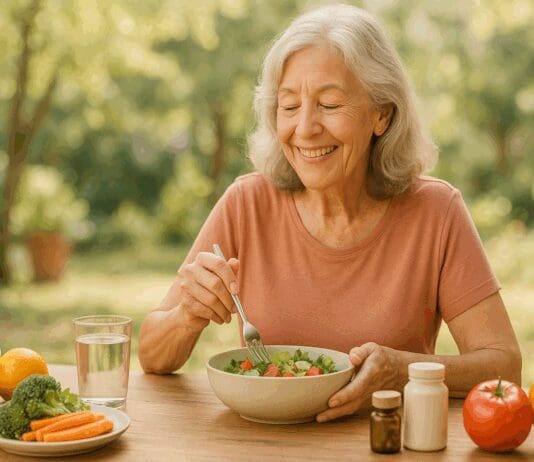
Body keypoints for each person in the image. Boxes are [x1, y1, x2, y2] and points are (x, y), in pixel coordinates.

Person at [139, 4, 521, 423]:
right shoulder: (246, 203)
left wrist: (403, 370)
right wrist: (187, 316)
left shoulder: (436, 212)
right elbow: (153, 356)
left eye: (330, 104)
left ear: (381, 114)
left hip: (387, 442)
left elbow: (504, 366)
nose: (305, 128)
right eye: (289, 106)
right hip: (263, 446)